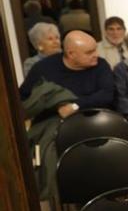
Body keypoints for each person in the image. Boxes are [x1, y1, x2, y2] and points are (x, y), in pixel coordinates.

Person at [19, 30, 115, 200]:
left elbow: (107, 94)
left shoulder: (100, 65)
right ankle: (69, 197)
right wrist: (53, 104)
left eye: (95, 49)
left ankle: (106, 194)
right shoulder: (43, 69)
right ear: (71, 54)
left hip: (93, 118)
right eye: (89, 52)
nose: (96, 55)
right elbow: (24, 100)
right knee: (54, 150)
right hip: (55, 123)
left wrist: (76, 105)